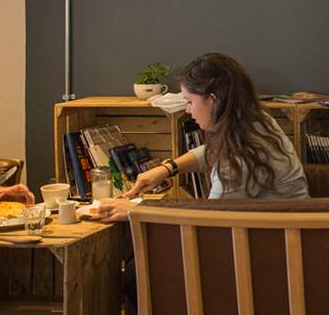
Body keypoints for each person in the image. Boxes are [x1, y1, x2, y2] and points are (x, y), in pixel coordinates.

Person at [93, 52, 309, 222]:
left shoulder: (238, 158)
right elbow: (209, 151)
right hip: (284, 239)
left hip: (275, 253)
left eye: (189, 101)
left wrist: (137, 210)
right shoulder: (256, 121)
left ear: (212, 100)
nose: (187, 110)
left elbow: (207, 217)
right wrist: (166, 169)